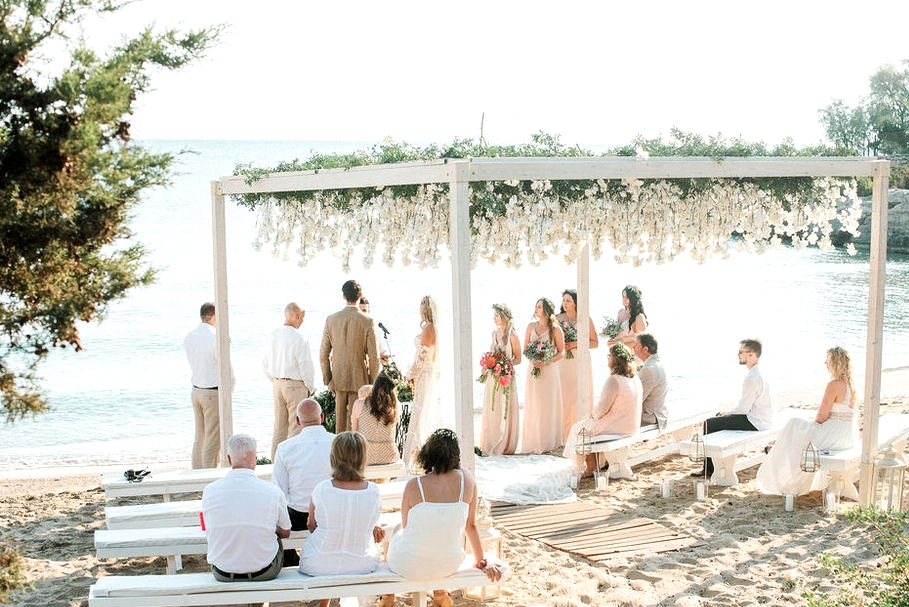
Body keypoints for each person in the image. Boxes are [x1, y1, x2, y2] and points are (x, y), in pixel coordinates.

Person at [384, 429, 503, 607]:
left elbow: (408, 527)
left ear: (428, 454)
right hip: (449, 564)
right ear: (456, 455)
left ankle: (388, 595)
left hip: (410, 565)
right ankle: (440, 595)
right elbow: (471, 527)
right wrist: (481, 561)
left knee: (397, 529)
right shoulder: (467, 481)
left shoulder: (414, 485)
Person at [756, 347, 858, 496]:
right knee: (799, 428)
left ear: (836, 363)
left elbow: (821, 417)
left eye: (828, 360)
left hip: (835, 436)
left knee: (793, 423)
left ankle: (775, 451)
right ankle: (776, 448)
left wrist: (811, 423)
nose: (825, 363)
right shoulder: (851, 385)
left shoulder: (834, 384)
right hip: (848, 436)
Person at [298, 432, 385, 607]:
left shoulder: (322, 489)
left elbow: (312, 525)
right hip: (362, 563)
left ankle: (325, 603)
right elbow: (365, 521)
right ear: (363, 458)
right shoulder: (374, 491)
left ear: (334, 457)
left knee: (329, 543)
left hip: (318, 565)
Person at [201, 434, 290, 582]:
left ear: (229, 459)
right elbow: (286, 532)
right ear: (255, 459)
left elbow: (208, 525)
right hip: (264, 571)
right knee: (273, 539)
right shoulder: (273, 492)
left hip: (222, 572)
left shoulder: (209, 491)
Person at [694, 338, 775, 477]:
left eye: (740, 352)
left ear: (751, 354)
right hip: (764, 419)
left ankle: (709, 469)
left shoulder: (752, 377)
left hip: (756, 422)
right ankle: (712, 465)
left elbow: (742, 409)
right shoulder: (760, 372)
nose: (738, 355)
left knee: (710, 423)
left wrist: (726, 413)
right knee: (718, 421)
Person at [563, 343, 643, 476]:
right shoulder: (635, 379)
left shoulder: (614, 380)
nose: (607, 359)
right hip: (631, 425)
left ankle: (590, 467)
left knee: (580, 429)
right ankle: (595, 464)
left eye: (609, 356)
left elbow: (601, 409)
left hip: (618, 427)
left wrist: (592, 416)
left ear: (614, 359)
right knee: (589, 427)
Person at [271, 398, 334, 567]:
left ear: (297, 421)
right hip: (331, 512)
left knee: (276, 524)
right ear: (322, 417)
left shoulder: (285, 447)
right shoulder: (338, 442)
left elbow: (279, 491)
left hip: (298, 517)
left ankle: (292, 563)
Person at [320, 280, 380, 433]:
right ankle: (356, 455)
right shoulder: (367, 320)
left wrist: (328, 379)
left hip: (338, 378)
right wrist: (372, 383)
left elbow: (323, 353)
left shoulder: (331, 319)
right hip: (360, 379)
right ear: (360, 295)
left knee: (340, 427)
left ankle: (340, 454)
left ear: (343, 296)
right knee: (357, 425)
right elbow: (374, 357)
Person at [183, 302, 234, 469]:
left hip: (196, 390)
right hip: (212, 392)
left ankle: (195, 475)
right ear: (214, 316)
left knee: (200, 437)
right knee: (212, 440)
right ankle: (208, 478)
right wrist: (231, 386)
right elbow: (225, 366)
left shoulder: (190, 336)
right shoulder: (215, 337)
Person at [263, 302, 315, 459]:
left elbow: (264, 363)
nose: (303, 321)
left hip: (277, 384)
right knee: (295, 428)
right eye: (303, 317)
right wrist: (310, 387)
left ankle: (274, 465)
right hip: (295, 386)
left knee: (279, 429)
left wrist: (274, 380)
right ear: (298, 317)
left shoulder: (272, 335)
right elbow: (306, 366)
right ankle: (293, 464)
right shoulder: (299, 338)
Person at [402, 295, 445, 469]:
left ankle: (417, 456)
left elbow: (422, 357)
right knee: (425, 411)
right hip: (427, 375)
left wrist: (408, 375)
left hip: (425, 375)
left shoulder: (429, 329)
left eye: (421, 306)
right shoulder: (434, 328)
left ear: (425, 309)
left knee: (421, 412)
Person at [520, 297, 565, 454]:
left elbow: (562, 352)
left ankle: (548, 441)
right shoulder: (530, 326)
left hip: (549, 371)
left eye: (539, 307)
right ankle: (533, 441)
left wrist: (546, 361)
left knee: (548, 404)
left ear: (546, 310)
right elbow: (525, 348)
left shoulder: (556, 330)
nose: (536, 309)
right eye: (536, 306)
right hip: (533, 370)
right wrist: (533, 359)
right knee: (534, 403)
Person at [479, 303, 522, 456]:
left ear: (504, 317)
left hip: (506, 377)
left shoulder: (513, 336)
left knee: (505, 409)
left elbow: (518, 359)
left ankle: (505, 443)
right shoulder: (494, 333)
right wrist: (488, 363)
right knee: (493, 409)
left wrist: (504, 365)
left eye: (496, 316)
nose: (494, 318)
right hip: (493, 377)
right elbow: (491, 353)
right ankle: (491, 441)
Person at [556, 289, 598, 442]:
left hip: (580, 360)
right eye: (563, 300)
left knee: (579, 395)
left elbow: (595, 343)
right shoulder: (557, 318)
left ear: (576, 303)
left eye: (568, 300)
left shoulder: (585, 319)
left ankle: (581, 429)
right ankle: (563, 433)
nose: (564, 303)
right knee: (564, 396)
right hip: (563, 363)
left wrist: (574, 343)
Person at [351, 371, 400, 466]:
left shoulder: (359, 403)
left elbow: (354, 433)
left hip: (364, 456)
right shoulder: (396, 406)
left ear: (376, 385)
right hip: (389, 456)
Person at [634, 332, 669, 429]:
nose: (633, 347)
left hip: (650, 417)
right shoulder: (658, 362)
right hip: (660, 412)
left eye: (636, 345)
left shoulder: (649, 369)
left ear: (645, 349)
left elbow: (637, 399)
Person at [359, 297, 391, 363]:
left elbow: (383, 351)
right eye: (359, 311)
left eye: (364, 310)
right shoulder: (348, 329)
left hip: (371, 369)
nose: (362, 314)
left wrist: (384, 357)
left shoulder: (375, 329)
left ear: (369, 311)